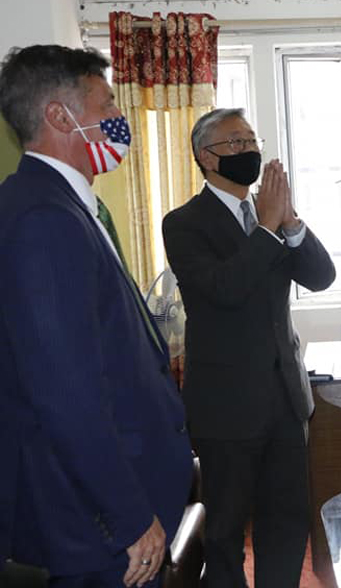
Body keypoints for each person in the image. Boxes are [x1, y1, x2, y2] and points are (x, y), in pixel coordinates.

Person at [0, 45, 193, 587]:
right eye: (105, 104)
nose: (116, 116)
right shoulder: (42, 219)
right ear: (60, 116)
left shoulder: (63, 205)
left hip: (104, 506)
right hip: (94, 523)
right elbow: (65, 393)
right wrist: (128, 515)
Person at [162, 108, 335, 587]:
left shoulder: (271, 215)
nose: (248, 151)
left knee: (287, 523)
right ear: (206, 157)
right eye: (235, 143)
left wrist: (290, 222)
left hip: (285, 400)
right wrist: (267, 228)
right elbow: (225, 290)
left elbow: (321, 277)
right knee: (225, 532)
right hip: (225, 408)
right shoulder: (184, 223)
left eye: (252, 141)